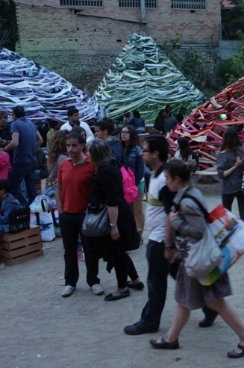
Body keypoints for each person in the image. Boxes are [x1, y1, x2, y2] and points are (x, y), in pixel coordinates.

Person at [149, 159, 244, 359]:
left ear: (177, 179)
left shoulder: (186, 201)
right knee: (184, 298)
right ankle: (171, 338)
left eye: (167, 179)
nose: (166, 183)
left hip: (199, 259)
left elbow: (198, 231)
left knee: (215, 302)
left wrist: (177, 222)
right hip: (196, 257)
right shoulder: (191, 193)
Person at [124, 135, 180, 335]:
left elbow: (171, 214)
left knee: (156, 282)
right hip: (160, 239)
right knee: (184, 277)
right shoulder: (156, 175)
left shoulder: (165, 179)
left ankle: (149, 322)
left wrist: (168, 244)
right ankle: (211, 305)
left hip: (160, 240)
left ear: (156, 153)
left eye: (145, 150)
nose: (141, 153)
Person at [87, 139, 142, 301]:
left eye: (89, 152)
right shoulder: (112, 166)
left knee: (116, 253)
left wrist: (113, 226)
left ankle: (122, 288)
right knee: (120, 251)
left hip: (115, 217)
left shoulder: (105, 172)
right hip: (119, 214)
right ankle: (136, 280)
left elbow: (112, 201)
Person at [56, 131, 101, 297]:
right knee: (69, 250)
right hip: (67, 214)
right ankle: (70, 282)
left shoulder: (91, 164)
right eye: (68, 145)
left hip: (86, 214)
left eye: (74, 145)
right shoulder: (64, 164)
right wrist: (61, 210)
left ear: (83, 146)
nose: (70, 149)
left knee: (90, 250)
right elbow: (58, 188)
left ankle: (93, 281)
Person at [217, 127, 244, 230]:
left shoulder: (222, 155)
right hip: (243, 187)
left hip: (227, 189)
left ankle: (231, 240)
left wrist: (235, 166)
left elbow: (221, 175)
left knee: (227, 216)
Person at [4, 106, 43, 206]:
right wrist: (30, 148)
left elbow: (15, 142)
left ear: (14, 115)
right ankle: (33, 210)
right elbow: (40, 140)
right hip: (32, 160)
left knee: (12, 188)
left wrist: (4, 151)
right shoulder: (31, 124)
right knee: (31, 189)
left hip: (20, 161)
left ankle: (13, 211)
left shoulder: (15, 124)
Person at [119, 125, 146, 240]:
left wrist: (132, 183)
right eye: (122, 132)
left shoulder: (138, 150)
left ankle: (139, 235)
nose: (123, 134)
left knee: (137, 211)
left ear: (132, 135)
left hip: (136, 184)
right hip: (123, 185)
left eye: (126, 132)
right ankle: (130, 235)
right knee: (127, 211)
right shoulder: (119, 149)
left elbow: (141, 171)